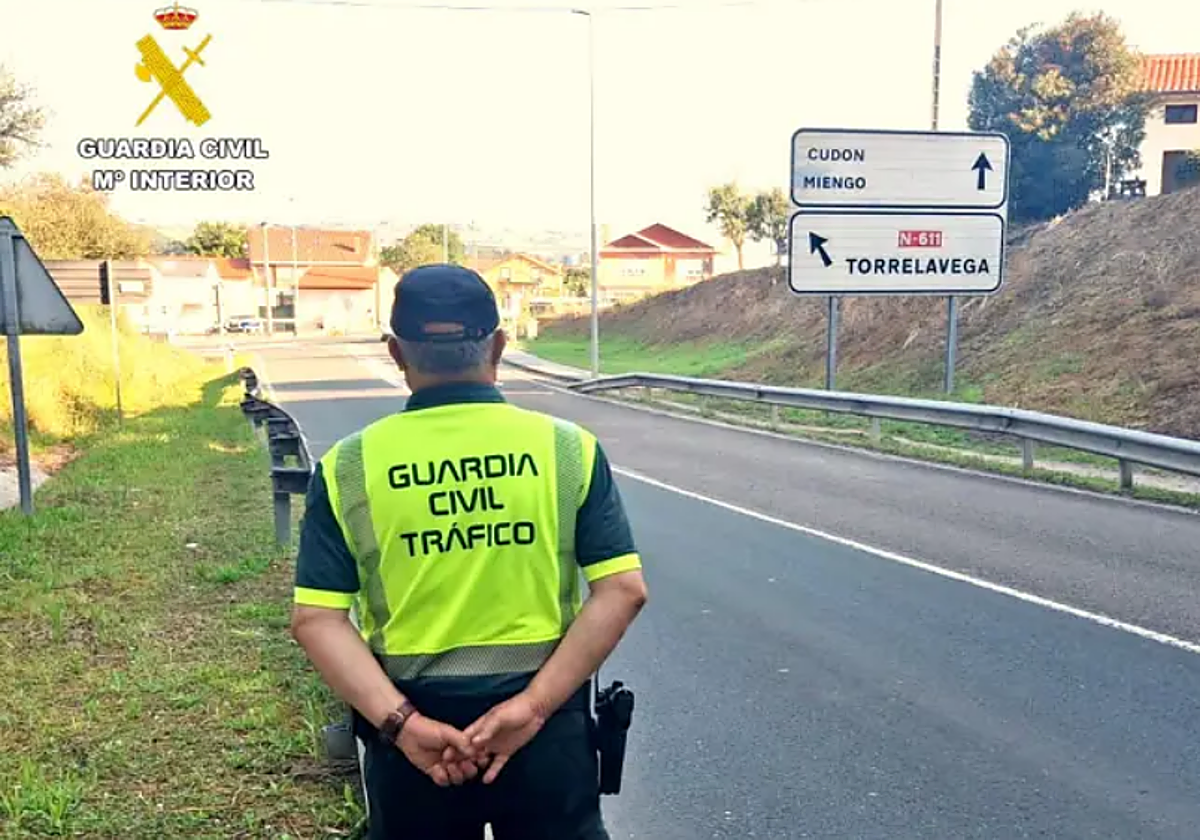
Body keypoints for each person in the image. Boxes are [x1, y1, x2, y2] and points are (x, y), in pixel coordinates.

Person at [290, 263, 649, 839]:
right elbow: (623, 591)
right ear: (500, 346)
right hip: (544, 736)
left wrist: (404, 726)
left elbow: (316, 620)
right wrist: (533, 708)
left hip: (412, 742)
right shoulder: (567, 451)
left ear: (396, 353)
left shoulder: (347, 467)